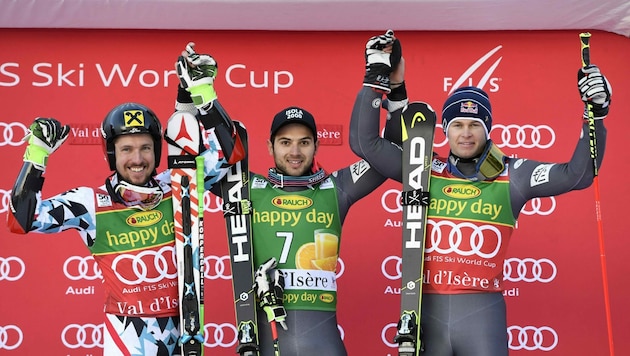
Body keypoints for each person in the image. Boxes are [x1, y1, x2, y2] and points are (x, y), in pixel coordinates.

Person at [349, 30, 611, 355]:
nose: (466, 134)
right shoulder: (423, 169)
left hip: (482, 316)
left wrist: (596, 115)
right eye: (457, 125)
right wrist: (377, 78)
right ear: (445, 130)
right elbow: (364, 144)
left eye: (475, 125)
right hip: (424, 312)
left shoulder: (513, 175)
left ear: (488, 130)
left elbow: (578, 175)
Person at [7, 49, 244, 355]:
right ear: (111, 154)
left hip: (185, 335)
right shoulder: (90, 203)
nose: (137, 159)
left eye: (146, 148)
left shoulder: (177, 185)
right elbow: (20, 220)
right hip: (128, 340)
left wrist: (200, 90)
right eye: (126, 149)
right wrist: (37, 154)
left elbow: (230, 154)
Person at [174, 43, 389, 355]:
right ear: (269, 146)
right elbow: (187, 157)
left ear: (316, 146)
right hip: (263, 338)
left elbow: (388, 155)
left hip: (324, 344)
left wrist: (381, 78)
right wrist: (189, 93)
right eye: (285, 142)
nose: (295, 152)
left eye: (304, 142)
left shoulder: (337, 187)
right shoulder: (245, 186)